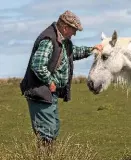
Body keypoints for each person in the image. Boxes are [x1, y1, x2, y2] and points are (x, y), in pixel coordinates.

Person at [20, 11, 93, 147]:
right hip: (40, 92)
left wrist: (92, 50)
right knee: (47, 133)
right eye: (74, 30)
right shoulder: (49, 40)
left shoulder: (62, 41)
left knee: (52, 128)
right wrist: (50, 81)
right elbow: (37, 65)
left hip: (48, 93)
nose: (74, 34)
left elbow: (72, 53)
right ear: (65, 28)